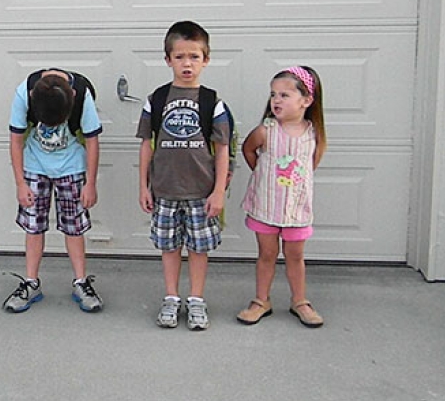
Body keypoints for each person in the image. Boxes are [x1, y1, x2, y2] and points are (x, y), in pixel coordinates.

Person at [136, 21, 230, 330]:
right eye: (179, 57)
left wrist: (218, 191)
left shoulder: (212, 103)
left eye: (194, 56)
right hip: (164, 190)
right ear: (168, 60)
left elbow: (222, 151)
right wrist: (144, 187)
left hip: (200, 193)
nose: (187, 63)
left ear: (206, 59)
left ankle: (197, 299)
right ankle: (172, 297)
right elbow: (146, 145)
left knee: (199, 249)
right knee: (169, 246)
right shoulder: (157, 99)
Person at [3, 69, 104, 313]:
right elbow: (16, 140)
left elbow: (92, 141)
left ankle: (80, 281)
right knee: (33, 225)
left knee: (74, 226)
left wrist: (90, 183)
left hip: (71, 165)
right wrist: (20, 183)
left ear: (71, 95)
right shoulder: (23, 93)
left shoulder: (82, 94)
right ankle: (31, 282)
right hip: (34, 165)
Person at [236, 66, 327, 328]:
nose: (276, 100)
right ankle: (261, 300)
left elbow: (311, 165)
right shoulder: (266, 131)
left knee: (295, 256)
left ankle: (299, 300)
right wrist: (264, 177)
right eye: (273, 94)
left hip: (297, 210)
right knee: (266, 254)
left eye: (285, 95)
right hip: (266, 207)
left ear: (306, 100)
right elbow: (249, 150)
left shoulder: (313, 134)